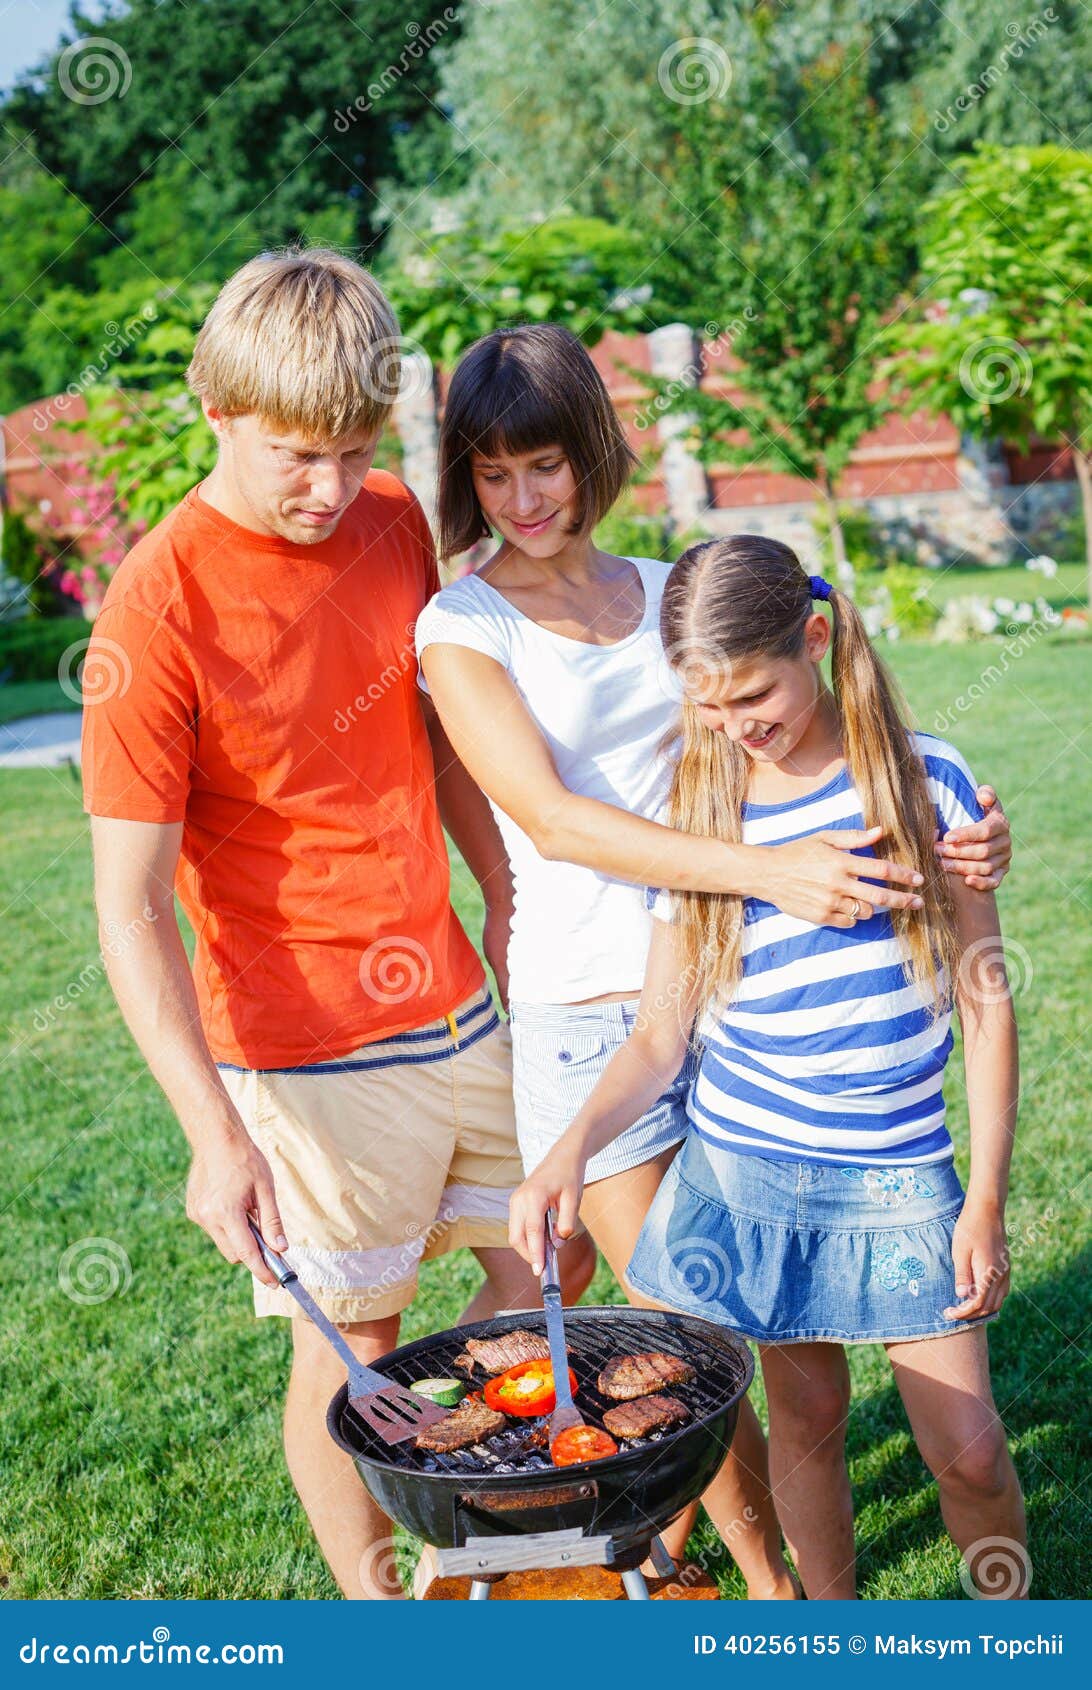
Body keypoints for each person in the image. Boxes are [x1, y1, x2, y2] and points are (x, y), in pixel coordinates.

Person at [415, 325, 1013, 1594]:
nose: (523, 500)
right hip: (607, 1001)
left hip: (747, 998)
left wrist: (950, 814)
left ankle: (769, 1575)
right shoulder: (463, 622)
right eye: (492, 473)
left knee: (765, 1342)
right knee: (696, 1347)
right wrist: (770, 872)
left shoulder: (667, 589)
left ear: (595, 453)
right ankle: (763, 1587)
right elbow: (558, 820)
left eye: (547, 466)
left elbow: (816, 646)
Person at [81, 249, 564, 1601]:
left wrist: (507, 896)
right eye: (298, 456)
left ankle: (483, 1530)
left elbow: (440, 734)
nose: (330, 490)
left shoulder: (397, 517)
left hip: (457, 996)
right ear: (215, 407)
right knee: (351, 1344)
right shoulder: (156, 606)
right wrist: (211, 1133)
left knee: (557, 1250)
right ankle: (383, 1614)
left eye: (355, 453)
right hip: (302, 1048)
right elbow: (129, 908)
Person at [508, 535, 1026, 1600]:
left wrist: (983, 1200)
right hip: (756, 1173)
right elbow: (660, 1036)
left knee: (969, 1450)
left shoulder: (929, 782)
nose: (736, 727)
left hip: (902, 1177)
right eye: (707, 705)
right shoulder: (701, 821)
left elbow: (984, 1000)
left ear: (818, 640)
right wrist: (568, 1149)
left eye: (752, 694)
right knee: (805, 1424)